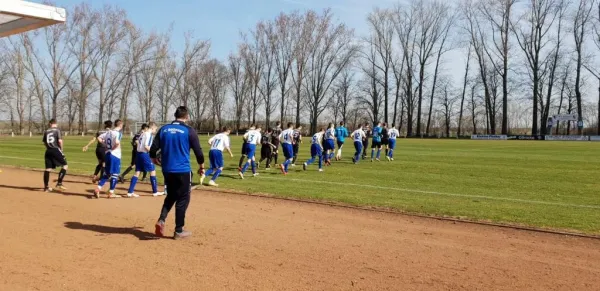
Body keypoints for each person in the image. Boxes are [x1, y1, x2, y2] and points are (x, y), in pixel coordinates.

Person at [151, 106, 204, 240]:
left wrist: (155, 160)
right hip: (183, 170)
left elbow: (152, 150)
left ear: (175, 116)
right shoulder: (189, 130)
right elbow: (198, 152)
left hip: (167, 169)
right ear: (186, 117)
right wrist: (201, 166)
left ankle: (162, 219)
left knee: (171, 195)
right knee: (183, 198)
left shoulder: (163, 129)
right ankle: (178, 230)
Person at [126, 122, 164, 198]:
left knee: (137, 172)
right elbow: (146, 146)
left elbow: (138, 144)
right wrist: (154, 152)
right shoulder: (149, 135)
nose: (155, 130)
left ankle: (130, 192)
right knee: (152, 171)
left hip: (138, 154)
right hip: (144, 154)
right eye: (155, 129)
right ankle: (155, 192)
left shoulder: (142, 134)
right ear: (152, 127)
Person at [94, 119, 124, 198]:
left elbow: (99, 138)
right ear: (120, 125)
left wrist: (106, 146)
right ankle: (111, 192)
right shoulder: (118, 133)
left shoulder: (108, 132)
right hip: (115, 155)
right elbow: (117, 143)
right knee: (115, 174)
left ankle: (98, 189)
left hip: (107, 154)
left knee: (107, 173)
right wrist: (113, 148)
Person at [42, 119, 68, 192]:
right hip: (56, 150)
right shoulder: (57, 130)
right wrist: (61, 149)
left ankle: (46, 187)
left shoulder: (46, 131)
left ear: (50, 124)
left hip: (48, 151)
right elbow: (60, 141)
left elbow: (44, 142)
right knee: (65, 165)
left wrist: (49, 148)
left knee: (48, 169)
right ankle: (59, 183)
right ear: (55, 123)